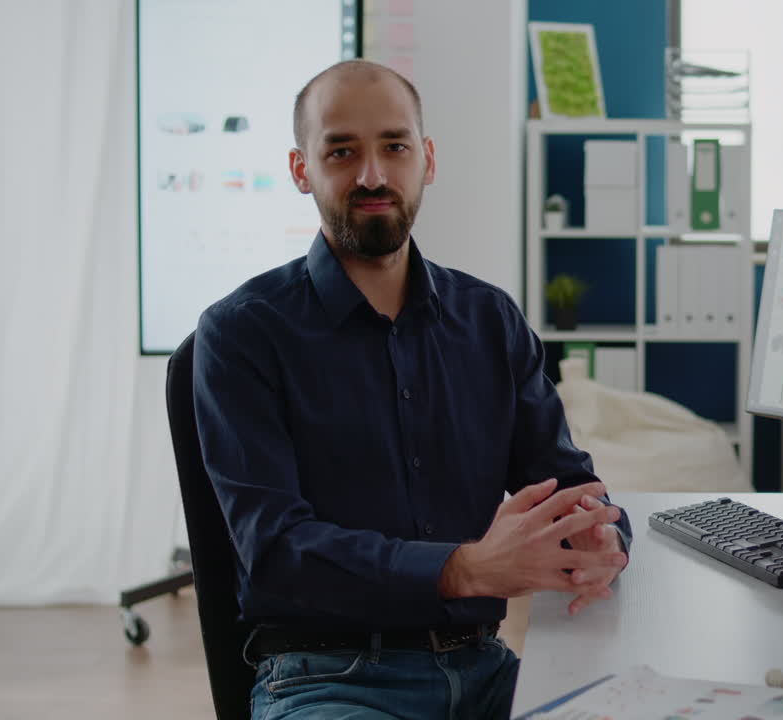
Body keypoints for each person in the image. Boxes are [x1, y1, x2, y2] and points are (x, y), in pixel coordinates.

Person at [193, 59, 632, 720]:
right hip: (324, 679)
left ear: (426, 159)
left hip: (485, 669)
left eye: (394, 147)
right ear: (300, 169)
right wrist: (466, 568)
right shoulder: (241, 334)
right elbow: (276, 552)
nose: (372, 176)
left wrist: (602, 539)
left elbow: (569, 488)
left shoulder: (490, 321)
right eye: (341, 151)